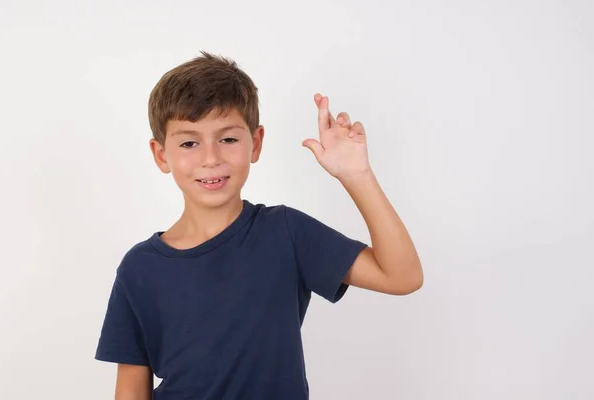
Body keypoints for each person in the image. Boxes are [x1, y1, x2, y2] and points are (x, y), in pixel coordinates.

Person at [94, 51, 423, 400]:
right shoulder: (139, 268)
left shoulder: (286, 233)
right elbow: (130, 388)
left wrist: (358, 176)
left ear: (257, 142)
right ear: (161, 154)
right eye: (189, 142)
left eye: (228, 139)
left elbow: (402, 276)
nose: (211, 158)